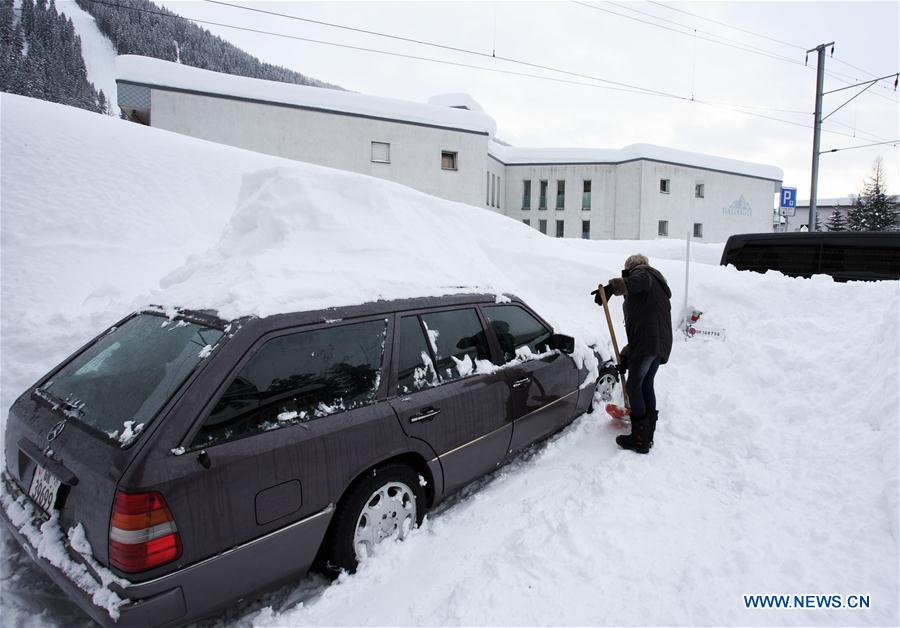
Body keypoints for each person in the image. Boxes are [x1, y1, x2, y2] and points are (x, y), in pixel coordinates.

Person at [596, 254, 672, 454]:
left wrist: (613, 287)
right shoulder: (655, 289)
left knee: (634, 386)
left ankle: (639, 438)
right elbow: (645, 329)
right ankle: (648, 435)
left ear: (632, 268)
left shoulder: (645, 273)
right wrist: (626, 359)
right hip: (656, 344)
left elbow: (639, 281)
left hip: (649, 344)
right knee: (646, 385)